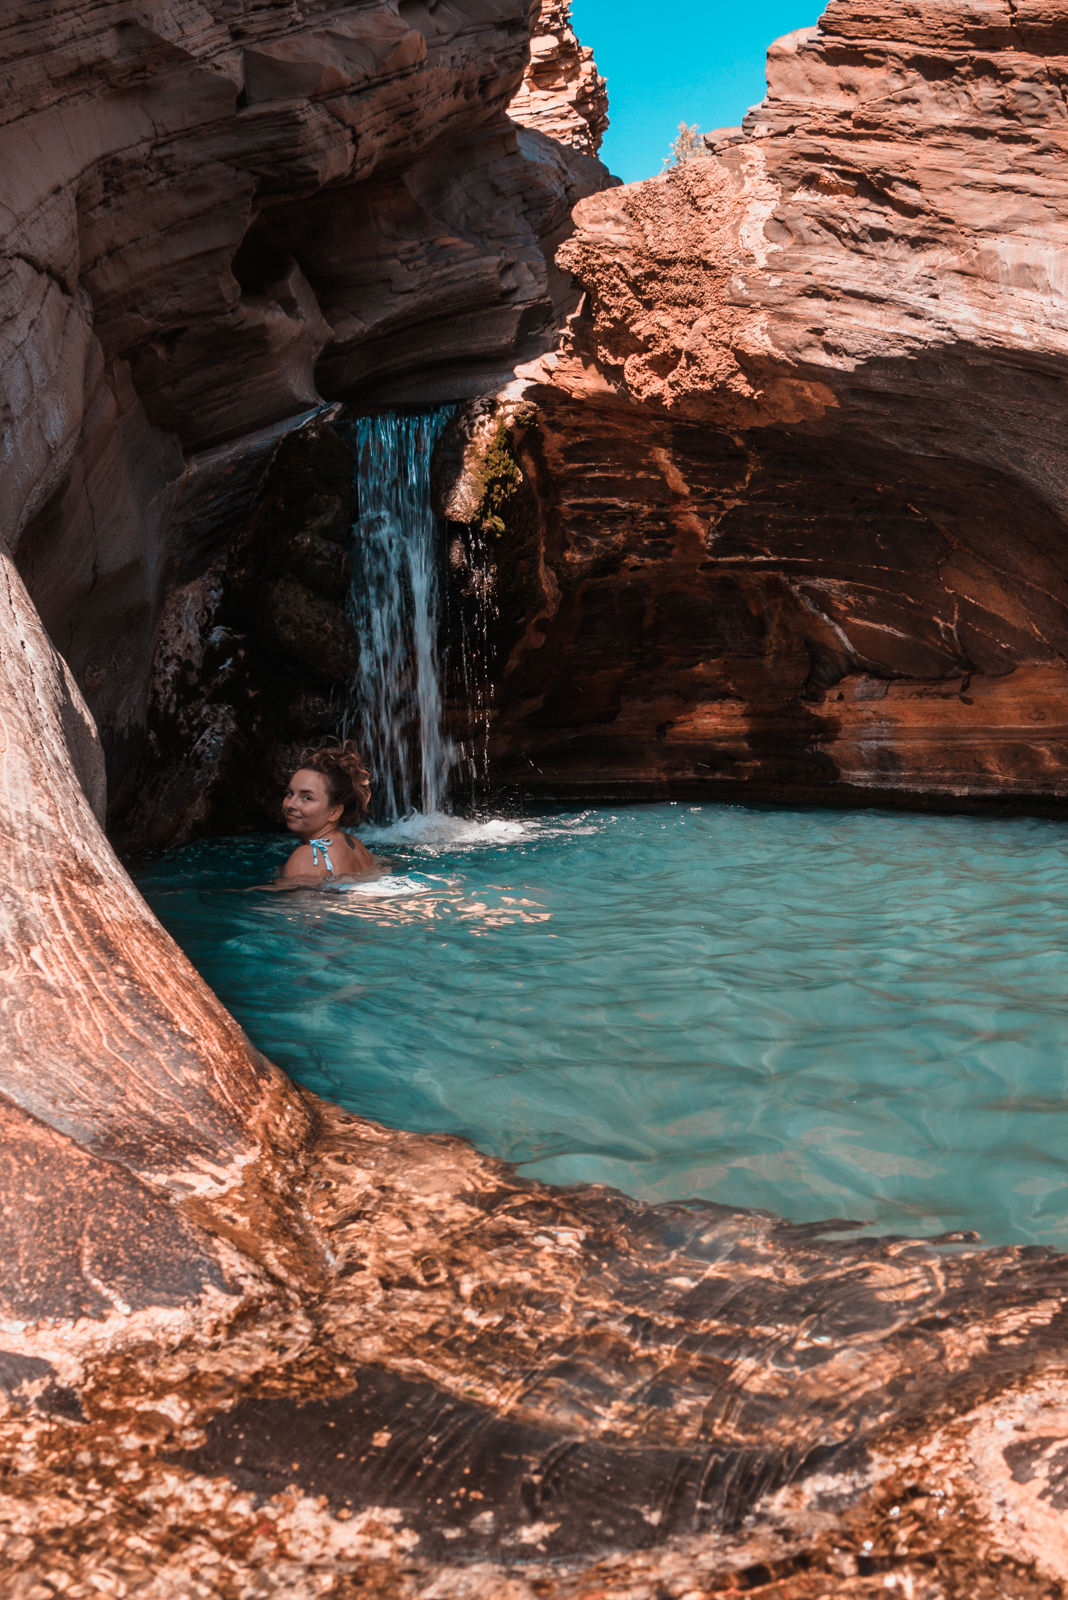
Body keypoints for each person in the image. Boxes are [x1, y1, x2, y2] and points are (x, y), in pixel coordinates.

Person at [280, 740, 377, 883]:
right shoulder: (355, 845)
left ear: (335, 812)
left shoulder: (307, 857)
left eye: (307, 797)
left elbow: (294, 904)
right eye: (290, 793)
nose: (291, 804)